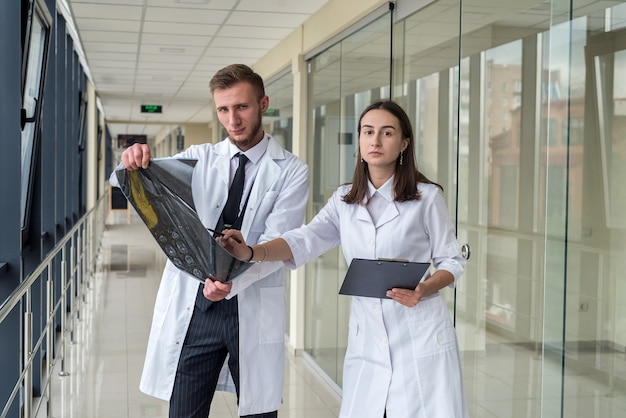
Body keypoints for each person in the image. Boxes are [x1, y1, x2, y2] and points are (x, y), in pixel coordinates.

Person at [220, 100, 468, 418]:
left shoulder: (426, 197)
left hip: (417, 328)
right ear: (360, 140)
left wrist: (424, 289)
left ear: (404, 143)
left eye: (387, 133)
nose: (375, 141)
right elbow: (305, 239)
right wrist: (252, 252)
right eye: (368, 132)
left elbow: (452, 261)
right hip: (367, 335)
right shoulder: (344, 199)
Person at [110, 64, 309, 418]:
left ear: (263, 103)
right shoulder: (200, 158)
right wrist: (131, 159)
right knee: (184, 409)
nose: (232, 119)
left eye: (242, 107)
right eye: (223, 109)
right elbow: (124, 178)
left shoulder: (292, 170)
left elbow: (279, 244)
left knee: (258, 412)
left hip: (250, 300)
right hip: (197, 304)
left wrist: (230, 284)